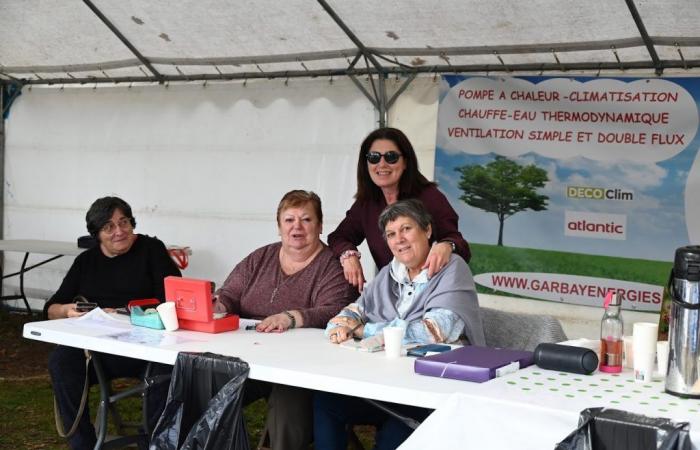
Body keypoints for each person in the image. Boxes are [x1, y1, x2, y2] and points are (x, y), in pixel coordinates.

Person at [315, 199, 485, 450]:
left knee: (394, 435)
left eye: (407, 229)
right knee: (326, 402)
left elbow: (433, 331)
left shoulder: (453, 268)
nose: (399, 239)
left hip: (433, 389)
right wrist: (343, 324)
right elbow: (350, 313)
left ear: (427, 230)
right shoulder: (389, 274)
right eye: (391, 234)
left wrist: (364, 330)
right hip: (388, 382)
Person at [214, 189, 356, 450]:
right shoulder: (261, 257)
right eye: (289, 220)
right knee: (202, 383)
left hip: (300, 366)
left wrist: (292, 317)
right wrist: (218, 305)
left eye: (306, 219)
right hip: (247, 356)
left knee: (287, 404)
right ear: (279, 226)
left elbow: (336, 310)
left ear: (320, 225)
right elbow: (230, 293)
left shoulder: (332, 266)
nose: (297, 227)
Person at [45, 196, 181, 450]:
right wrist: (67, 310)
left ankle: (156, 444)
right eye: (109, 226)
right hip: (99, 351)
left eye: (124, 222)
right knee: (61, 362)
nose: (119, 231)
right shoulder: (86, 262)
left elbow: (173, 298)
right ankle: (83, 443)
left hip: (150, 346)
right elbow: (50, 308)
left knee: (168, 371)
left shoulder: (151, 250)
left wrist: (126, 314)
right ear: (96, 234)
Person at [328, 127, 470, 292]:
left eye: (391, 157)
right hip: (391, 295)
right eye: (374, 158)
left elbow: (460, 246)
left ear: (405, 162)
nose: (382, 164)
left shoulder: (430, 197)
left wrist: (447, 245)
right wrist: (349, 255)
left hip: (431, 293)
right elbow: (338, 237)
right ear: (366, 164)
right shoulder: (366, 203)